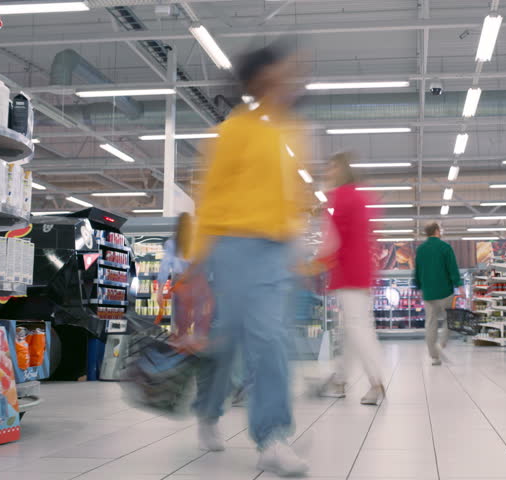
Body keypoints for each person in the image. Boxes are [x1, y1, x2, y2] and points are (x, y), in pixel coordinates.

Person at [187, 42, 310, 477]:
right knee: (229, 341)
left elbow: (291, 198)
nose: (292, 81)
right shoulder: (234, 131)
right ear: (260, 78)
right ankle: (208, 409)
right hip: (235, 247)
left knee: (270, 339)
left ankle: (272, 437)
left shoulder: (287, 131)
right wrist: (198, 265)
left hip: (276, 251)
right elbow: (210, 198)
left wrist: (296, 245)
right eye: (284, 73)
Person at [314, 152, 385, 405]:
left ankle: (376, 383)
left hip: (348, 274)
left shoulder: (340, 197)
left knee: (358, 328)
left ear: (341, 170)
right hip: (361, 272)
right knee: (352, 329)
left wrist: (313, 264)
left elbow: (332, 238)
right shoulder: (360, 195)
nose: (327, 172)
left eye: (331, 168)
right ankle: (340, 381)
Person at [413, 222, 462, 366]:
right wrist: (459, 285)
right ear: (436, 231)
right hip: (445, 291)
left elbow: (417, 271)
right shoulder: (445, 247)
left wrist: (418, 287)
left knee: (430, 324)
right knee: (450, 319)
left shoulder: (421, 249)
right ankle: (441, 344)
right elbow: (452, 268)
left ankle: (434, 357)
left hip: (428, 293)